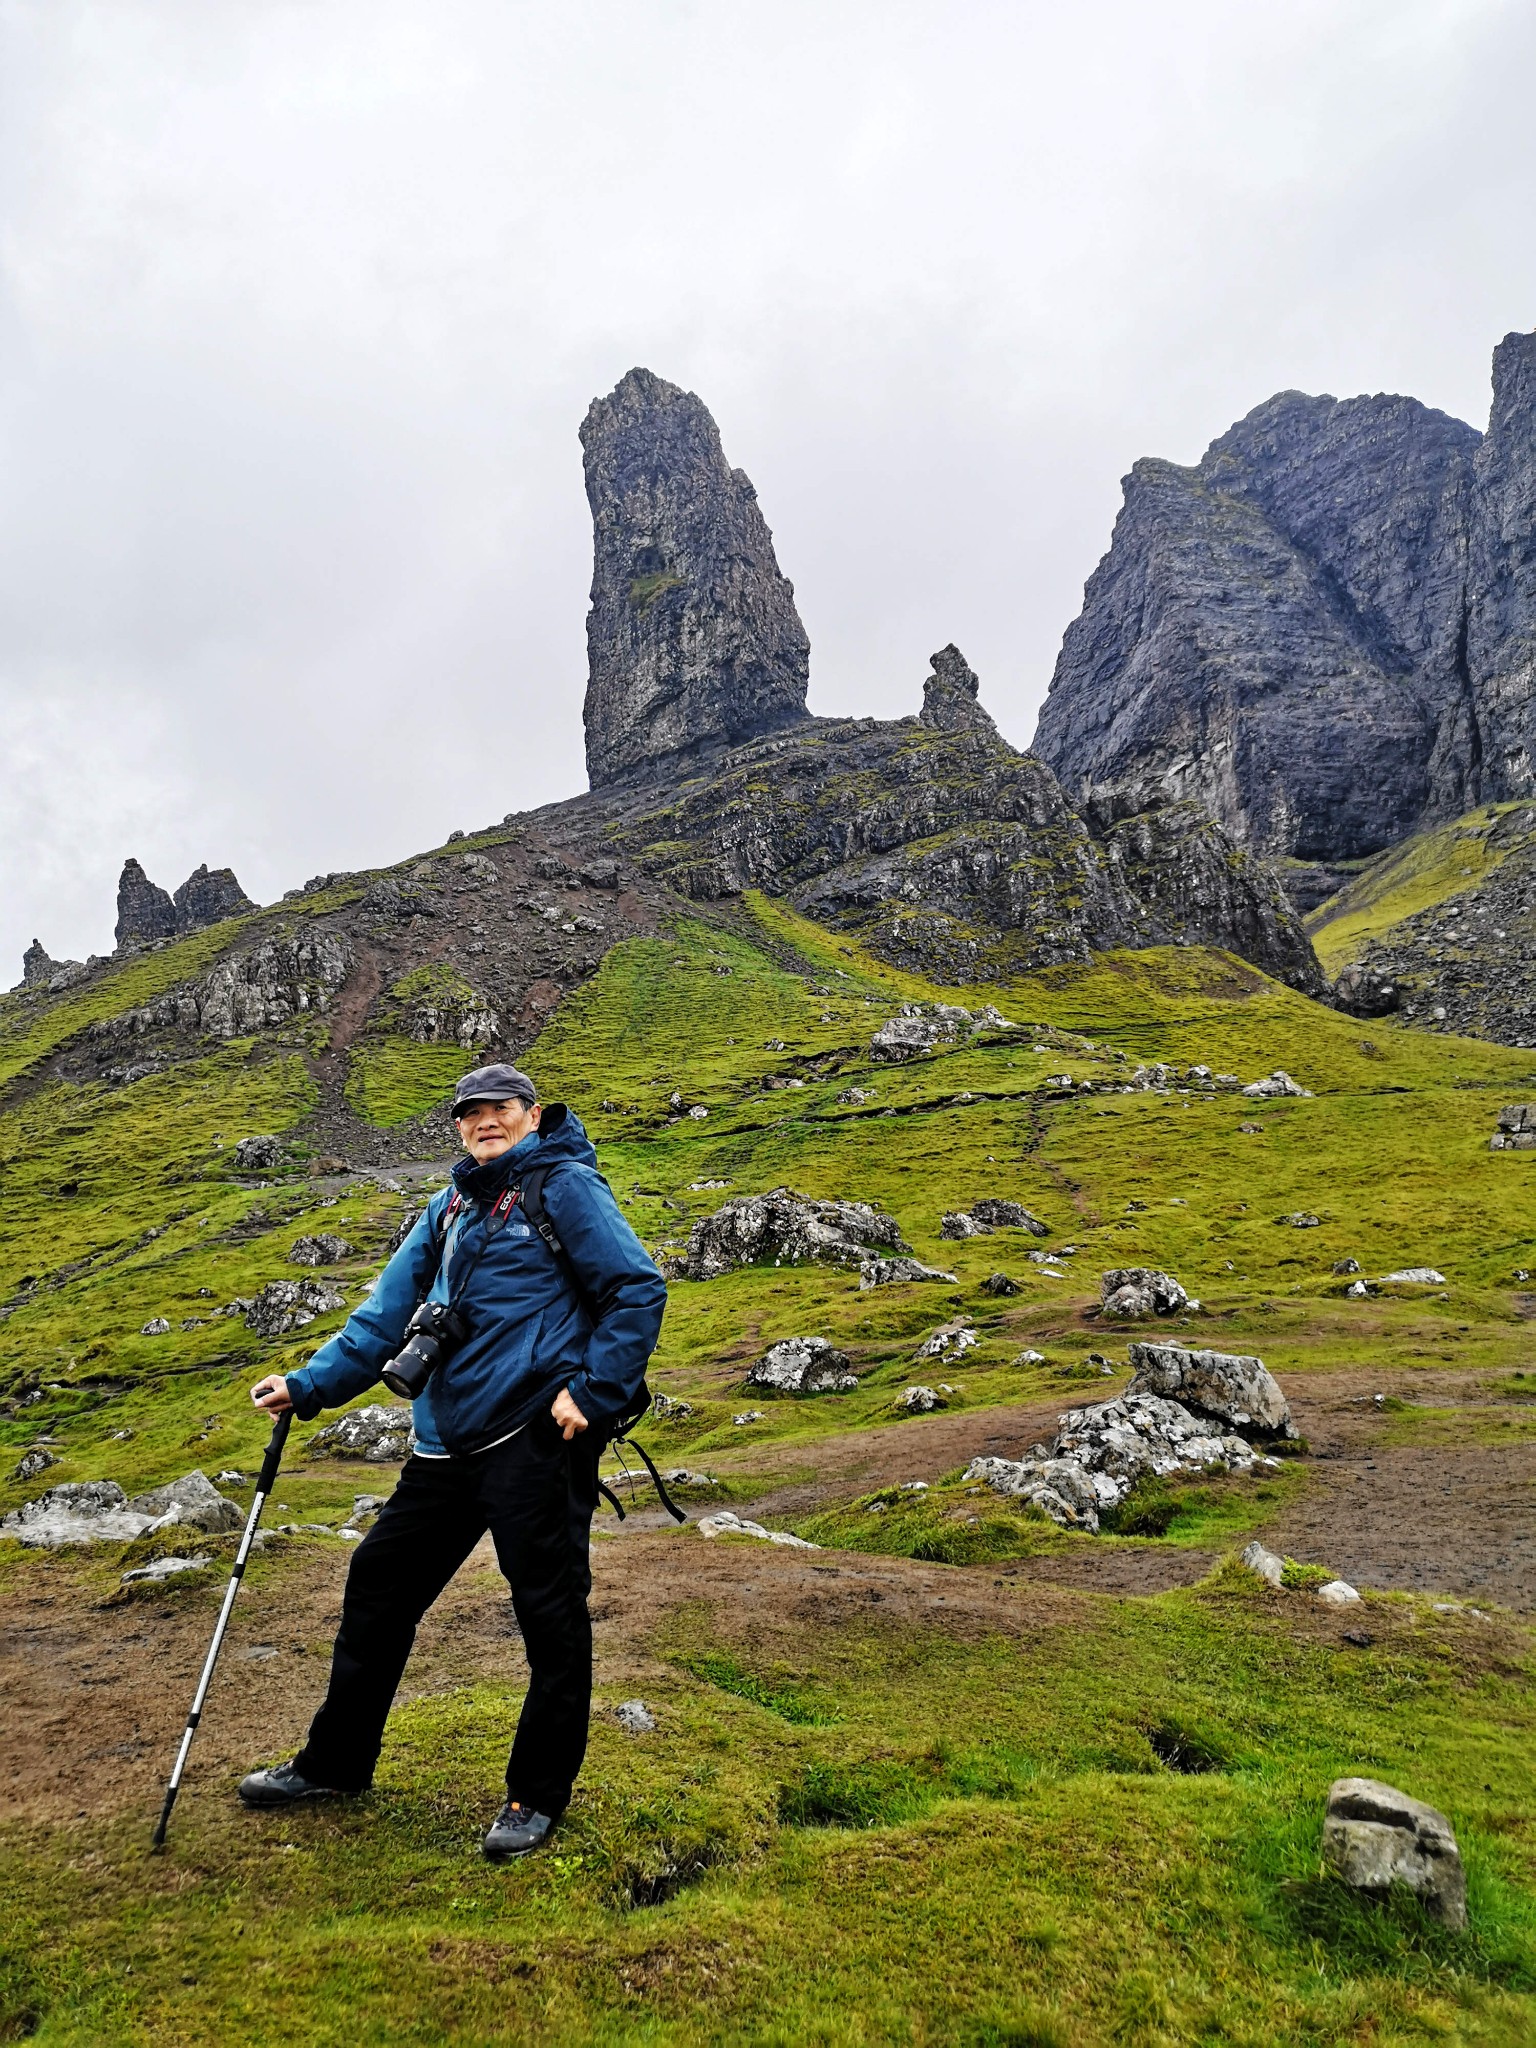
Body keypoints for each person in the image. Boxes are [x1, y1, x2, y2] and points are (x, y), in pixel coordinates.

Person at [239, 1062, 666, 1860]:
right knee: (378, 1585)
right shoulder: (447, 1207)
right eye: (470, 1113)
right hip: (443, 1447)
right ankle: (335, 1764)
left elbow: (637, 1289)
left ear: (533, 1115)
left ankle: (534, 1799)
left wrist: (595, 1391)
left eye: (500, 1108)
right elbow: (383, 1319)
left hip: (535, 1442)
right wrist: (307, 1386)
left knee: (549, 1618)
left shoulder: (564, 1188)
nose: (484, 1121)